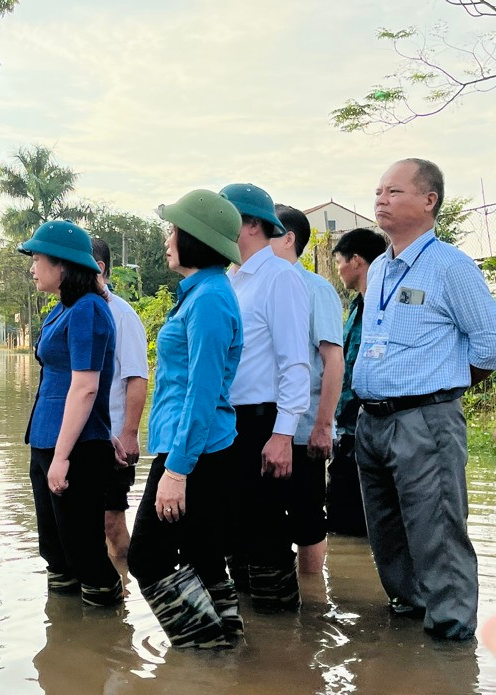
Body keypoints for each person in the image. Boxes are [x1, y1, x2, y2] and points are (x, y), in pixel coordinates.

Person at [353, 158, 496, 640]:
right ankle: (408, 625)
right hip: (373, 421)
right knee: (387, 533)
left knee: (437, 531)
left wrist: (445, 386)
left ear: (429, 200)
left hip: (425, 419)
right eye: (378, 191)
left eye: (394, 191)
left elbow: (492, 343)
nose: (381, 199)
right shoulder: (379, 268)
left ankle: (452, 639)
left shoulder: (450, 266)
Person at [126, 190, 244, 648]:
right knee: (203, 556)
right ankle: (228, 653)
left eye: (173, 230)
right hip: (197, 448)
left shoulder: (209, 299)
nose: (167, 240)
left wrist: (176, 471)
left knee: (146, 558)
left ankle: (204, 652)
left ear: (195, 238)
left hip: (195, 452)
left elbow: (203, 391)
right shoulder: (202, 293)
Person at [18, 220, 124, 607]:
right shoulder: (61, 310)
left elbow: (86, 386)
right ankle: (63, 635)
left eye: (38, 259)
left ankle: (106, 632)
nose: (32, 267)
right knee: (56, 551)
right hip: (48, 438)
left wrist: (62, 458)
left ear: (62, 265)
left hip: (74, 447)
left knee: (84, 553)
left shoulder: (88, 310)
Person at [221, 183, 310, 611]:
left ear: (253, 225)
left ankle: (284, 633)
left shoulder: (280, 277)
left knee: (267, 530)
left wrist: (283, 434)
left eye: (226, 218)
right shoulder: (230, 280)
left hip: (262, 421)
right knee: (235, 530)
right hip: (229, 422)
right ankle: (251, 632)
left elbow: (295, 362)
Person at [271, 204, 344, 573]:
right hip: (263, 426)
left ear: (289, 239)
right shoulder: (256, 285)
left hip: (303, 429)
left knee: (307, 516)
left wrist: (323, 426)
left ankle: (314, 595)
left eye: (266, 233)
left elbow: (333, 360)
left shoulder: (316, 289)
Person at [90, 238, 149, 558]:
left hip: (112, 437)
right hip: (81, 438)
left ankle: (125, 578)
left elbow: (137, 377)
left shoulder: (122, 315)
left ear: (99, 268)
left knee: (111, 521)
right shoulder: (72, 310)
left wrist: (129, 433)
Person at [329, 227, 388, 536]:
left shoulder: (387, 307)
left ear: (356, 260)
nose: (338, 269)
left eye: (339, 261)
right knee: (342, 521)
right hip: (347, 430)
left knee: (368, 520)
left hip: (374, 428)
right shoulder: (356, 307)